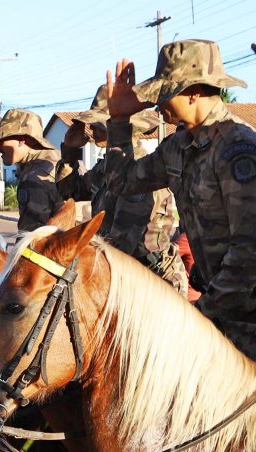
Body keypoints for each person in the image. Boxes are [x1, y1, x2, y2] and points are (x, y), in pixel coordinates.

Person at [105, 39, 256, 363]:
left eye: (165, 92)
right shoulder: (178, 147)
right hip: (221, 305)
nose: (156, 104)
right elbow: (120, 181)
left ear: (193, 92)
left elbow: (251, 255)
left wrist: (198, 316)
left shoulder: (239, 149)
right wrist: (120, 123)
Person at [60, 85, 188, 295]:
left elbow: (123, 239)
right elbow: (70, 192)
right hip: (121, 272)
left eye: (98, 124)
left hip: (151, 282)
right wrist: (70, 153)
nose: (92, 129)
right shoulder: (106, 166)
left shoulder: (138, 165)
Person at [0, 109, 62, 235]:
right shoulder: (57, 158)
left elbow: (31, 236)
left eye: (2, 138)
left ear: (22, 140)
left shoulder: (35, 176)